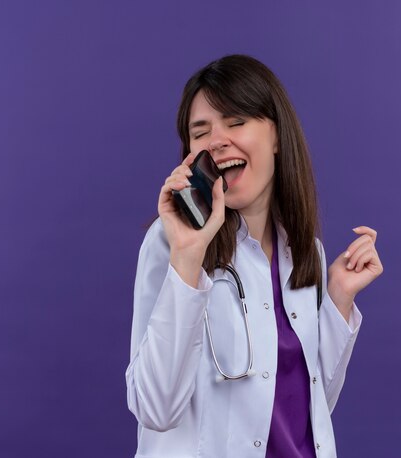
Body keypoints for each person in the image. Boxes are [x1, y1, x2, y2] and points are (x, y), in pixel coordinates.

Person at [125, 54, 383, 458]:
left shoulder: (304, 251)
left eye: (236, 122)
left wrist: (338, 298)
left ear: (277, 136)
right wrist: (189, 258)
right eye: (200, 132)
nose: (217, 141)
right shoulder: (172, 241)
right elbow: (155, 409)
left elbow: (313, 410)